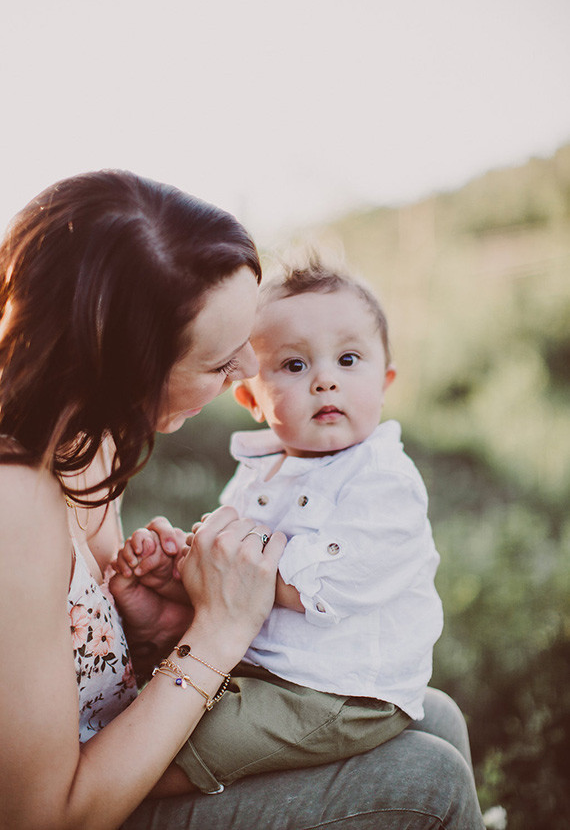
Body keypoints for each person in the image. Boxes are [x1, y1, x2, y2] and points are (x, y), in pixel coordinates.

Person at [0, 171, 485, 830]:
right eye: (221, 361)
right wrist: (220, 629)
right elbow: (39, 816)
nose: (244, 377)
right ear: (131, 360)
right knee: (430, 783)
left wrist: (154, 614)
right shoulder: (14, 504)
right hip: (82, 807)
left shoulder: (91, 445)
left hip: (117, 743)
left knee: (436, 714)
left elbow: (88, 663)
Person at [116, 253, 445, 795]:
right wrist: (187, 565)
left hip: (336, 692)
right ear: (250, 397)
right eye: (295, 366)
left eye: (348, 359)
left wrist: (221, 565)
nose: (324, 382)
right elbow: (236, 579)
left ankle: (132, 794)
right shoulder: (261, 471)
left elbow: (335, 583)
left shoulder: (384, 481)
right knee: (168, 702)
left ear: (385, 381)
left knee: (206, 736)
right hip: (272, 667)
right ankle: (162, 633)